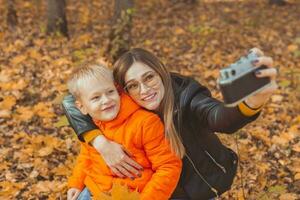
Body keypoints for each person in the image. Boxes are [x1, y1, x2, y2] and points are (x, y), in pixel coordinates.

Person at [63, 48, 277, 199]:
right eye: (133, 85)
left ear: (161, 73)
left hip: (196, 188)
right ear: (123, 90)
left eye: (149, 78)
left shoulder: (187, 97)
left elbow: (219, 118)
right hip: (150, 190)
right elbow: (70, 101)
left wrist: (251, 103)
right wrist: (99, 141)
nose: (144, 90)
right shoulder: (114, 109)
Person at [66, 64, 182, 200]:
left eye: (110, 92)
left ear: (118, 91)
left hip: (135, 193)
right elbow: (86, 157)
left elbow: (168, 166)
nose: (106, 100)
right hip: (95, 189)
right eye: (96, 98)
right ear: (82, 107)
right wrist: (76, 183)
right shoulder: (93, 124)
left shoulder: (145, 123)